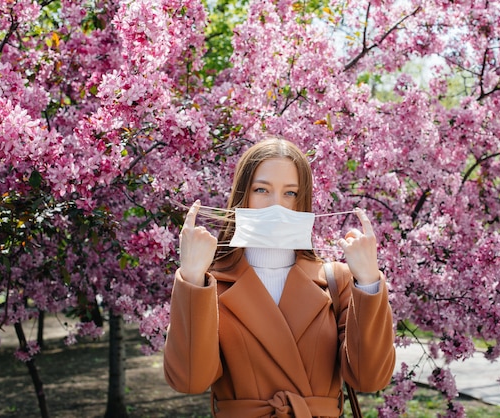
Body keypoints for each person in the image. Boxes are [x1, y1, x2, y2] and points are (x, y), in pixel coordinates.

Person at [163, 137, 395, 417]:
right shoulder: (209, 284)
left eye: (290, 193)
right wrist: (191, 277)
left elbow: (370, 378)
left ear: (303, 201)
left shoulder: (338, 280)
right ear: (242, 196)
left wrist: (369, 279)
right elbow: (189, 380)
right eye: (262, 189)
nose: (277, 206)